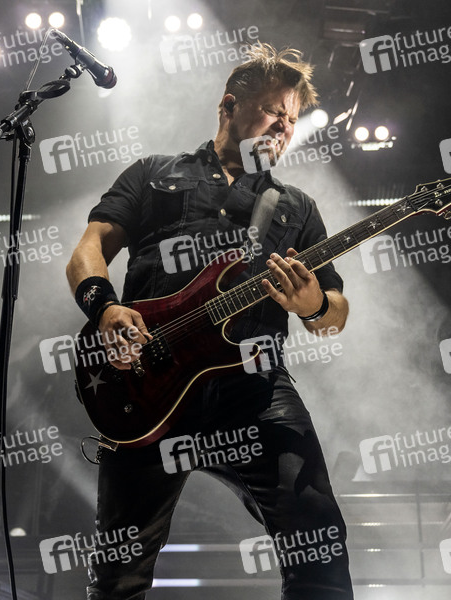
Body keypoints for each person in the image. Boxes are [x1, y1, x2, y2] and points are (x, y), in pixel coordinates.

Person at [66, 43, 353, 599]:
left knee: (317, 538)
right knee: (118, 576)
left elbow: (334, 316)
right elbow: (89, 248)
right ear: (229, 105)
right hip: (146, 385)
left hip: (255, 389)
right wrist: (104, 308)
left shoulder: (296, 207)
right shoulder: (153, 174)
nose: (284, 127)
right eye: (273, 111)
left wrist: (313, 304)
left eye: (292, 120)